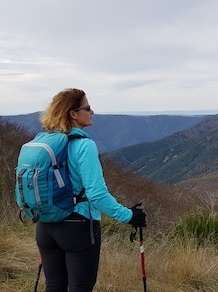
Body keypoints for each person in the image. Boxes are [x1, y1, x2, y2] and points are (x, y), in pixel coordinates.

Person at [36, 88, 146, 291]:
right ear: (73, 114)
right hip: (77, 227)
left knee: (54, 286)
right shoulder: (84, 145)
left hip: (45, 226)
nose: (92, 111)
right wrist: (130, 216)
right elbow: (97, 195)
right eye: (87, 107)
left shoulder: (43, 142)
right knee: (80, 287)